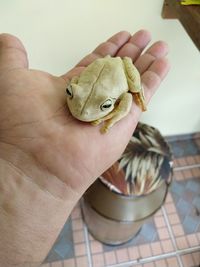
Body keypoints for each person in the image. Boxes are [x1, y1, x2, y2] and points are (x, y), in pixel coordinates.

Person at [0, 30, 170, 267]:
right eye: (71, 92)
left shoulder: (116, 87)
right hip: (98, 71)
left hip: (118, 70)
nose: (82, 112)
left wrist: (112, 115)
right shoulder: (77, 86)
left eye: (104, 105)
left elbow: (128, 100)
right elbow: (78, 86)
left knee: (134, 87)